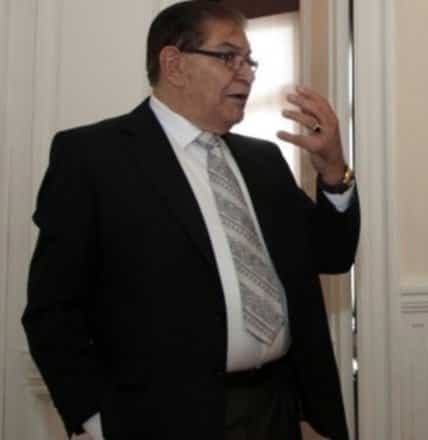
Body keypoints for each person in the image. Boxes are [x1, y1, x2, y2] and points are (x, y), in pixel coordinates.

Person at [22, 2, 359, 439]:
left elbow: (331, 255)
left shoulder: (263, 161)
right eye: (229, 57)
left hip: (278, 408)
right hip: (162, 419)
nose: (247, 73)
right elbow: (51, 311)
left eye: (250, 60)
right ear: (174, 64)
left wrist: (333, 171)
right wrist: (98, 421)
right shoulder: (94, 158)